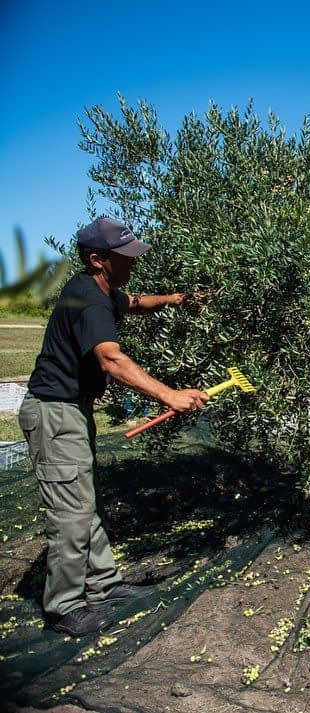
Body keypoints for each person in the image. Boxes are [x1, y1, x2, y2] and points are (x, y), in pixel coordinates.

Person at [18, 217, 209, 637]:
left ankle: (103, 586)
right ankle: (64, 606)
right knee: (71, 513)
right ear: (97, 259)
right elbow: (111, 359)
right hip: (54, 413)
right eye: (124, 257)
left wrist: (176, 299)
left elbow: (135, 302)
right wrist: (170, 395)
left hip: (71, 411)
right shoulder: (89, 300)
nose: (132, 262)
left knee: (85, 502)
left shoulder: (101, 290)